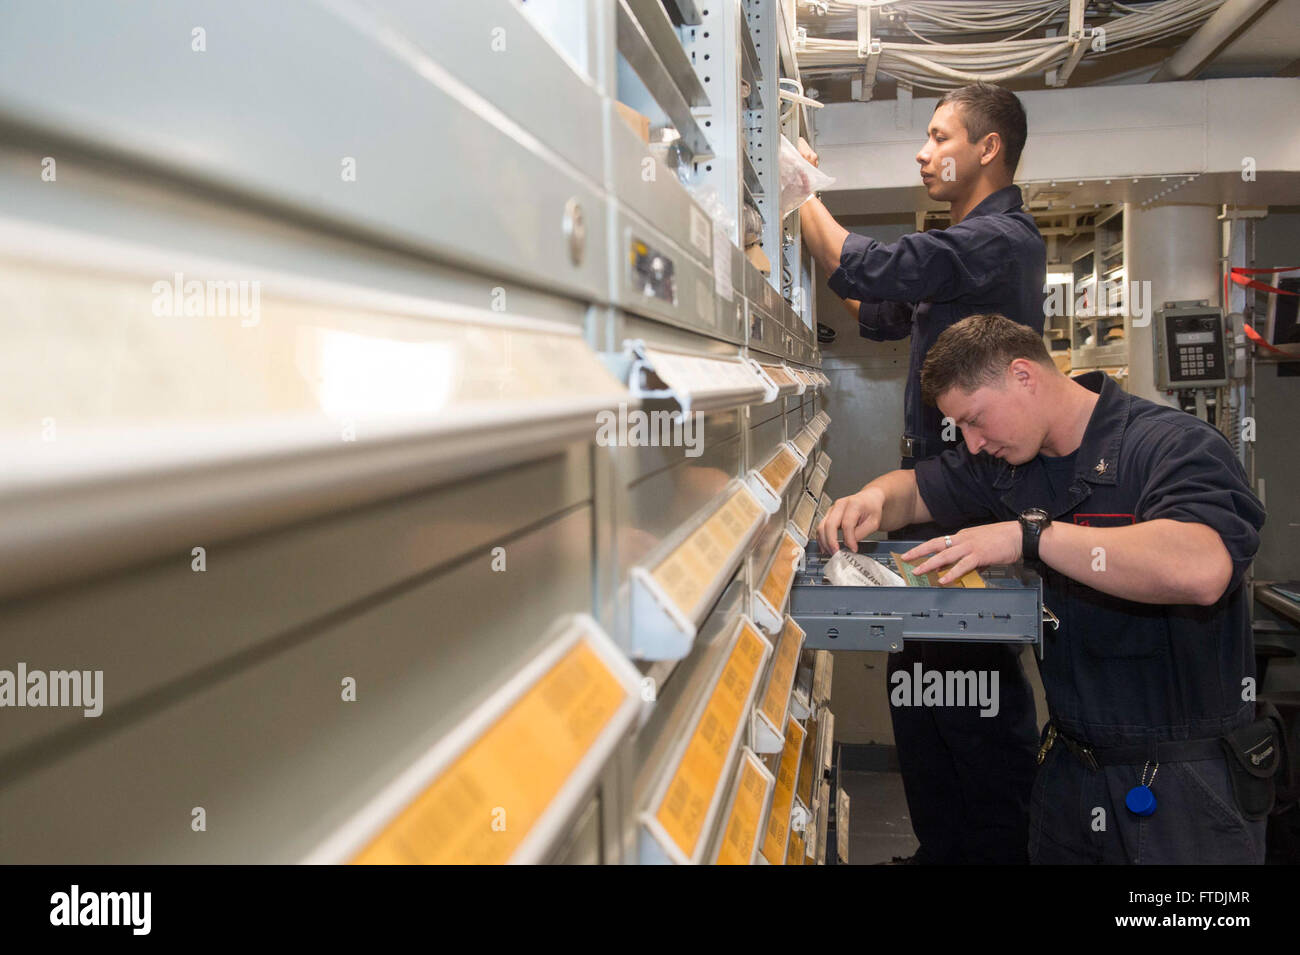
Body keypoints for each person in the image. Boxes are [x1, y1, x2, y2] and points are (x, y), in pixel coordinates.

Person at [818, 314, 1271, 864]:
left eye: (976, 420)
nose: (974, 443)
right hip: (1069, 772)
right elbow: (914, 490)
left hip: (1183, 790)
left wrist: (1028, 536)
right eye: (960, 428)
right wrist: (870, 500)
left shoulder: (1173, 446)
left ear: (1024, 375)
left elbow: (1201, 569)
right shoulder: (1009, 461)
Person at [797, 82, 1045, 863]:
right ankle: (944, 851)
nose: (922, 150)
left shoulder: (1000, 241)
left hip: (975, 494)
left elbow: (872, 263)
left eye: (940, 135)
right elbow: (875, 303)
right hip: (933, 495)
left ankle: (993, 855)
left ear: (988, 147)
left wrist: (794, 188)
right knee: (923, 692)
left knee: (972, 697)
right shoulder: (962, 256)